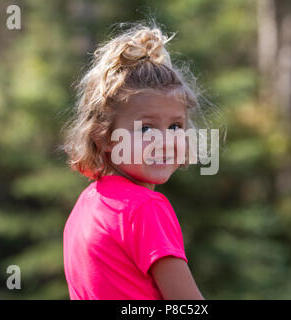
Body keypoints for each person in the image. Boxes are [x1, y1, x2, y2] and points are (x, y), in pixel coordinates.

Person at [62, 22, 206, 300]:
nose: (164, 140)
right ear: (103, 137)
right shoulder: (146, 208)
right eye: (146, 128)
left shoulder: (87, 203)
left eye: (175, 126)